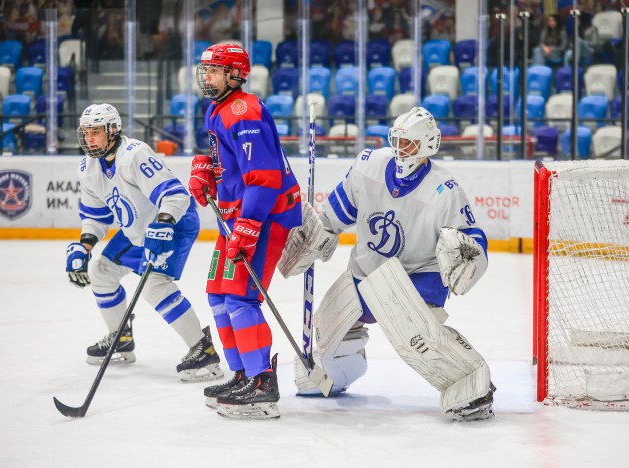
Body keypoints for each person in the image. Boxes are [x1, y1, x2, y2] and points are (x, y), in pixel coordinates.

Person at [279, 107, 495, 422]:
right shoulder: (369, 164)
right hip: (366, 268)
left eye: (409, 143)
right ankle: (342, 368)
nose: (400, 149)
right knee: (319, 352)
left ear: (428, 145)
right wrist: (315, 234)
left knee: (415, 334)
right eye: (397, 140)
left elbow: (472, 240)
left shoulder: (445, 190)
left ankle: (469, 380)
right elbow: (337, 213)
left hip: (419, 273)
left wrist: (466, 255)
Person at [65, 103, 224, 384]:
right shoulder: (88, 167)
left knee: (154, 285)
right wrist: (83, 246)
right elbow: (95, 216)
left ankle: (204, 351)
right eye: (86, 132)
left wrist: (162, 226)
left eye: (96, 132)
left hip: (174, 223)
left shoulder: (135, 154)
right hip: (136, 230)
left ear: (112, 131)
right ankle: (121, 338)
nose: (89, 138)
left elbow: (175, 196)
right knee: (101, 272)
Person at [188, 43, 302, 420]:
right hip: (236, 215)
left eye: (215, 70)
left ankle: (261, 382)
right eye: (205, 70)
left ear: (236, 73)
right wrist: (206, 165)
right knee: (218, 295)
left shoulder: (243, 110)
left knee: (240, 297)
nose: (207, 77)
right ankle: (241, 373)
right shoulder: (218, 108)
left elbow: (265, 177)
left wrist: (249, 226)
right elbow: (229, 156)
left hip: (265, 216)